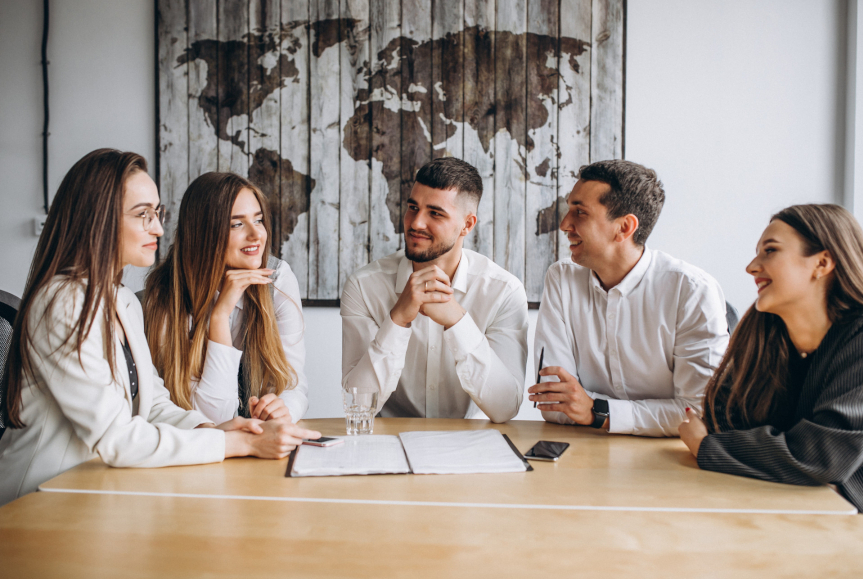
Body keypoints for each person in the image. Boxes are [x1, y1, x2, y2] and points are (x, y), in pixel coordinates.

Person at [0, 149, 319, 506]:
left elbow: (154, 406)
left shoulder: (121, 300)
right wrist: (239, 443)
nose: (158, 228)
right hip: (40, 500)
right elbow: (115, 437)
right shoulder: (63, 302)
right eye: (143, 215)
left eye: (158, 213)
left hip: (96, 491)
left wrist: (213, 429)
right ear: (99, 220)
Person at [680, 204, 863, 534]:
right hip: (785, 516)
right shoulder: (766, 334)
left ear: (822, 263)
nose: (752, 267)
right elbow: (724, 419)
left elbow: (821, 455)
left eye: (770, 251)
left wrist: (708, 449)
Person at [528, 160, 730, 437]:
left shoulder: (691, 290)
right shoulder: (562, 278)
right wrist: (643, 415)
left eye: (580, 212)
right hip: (583, 451)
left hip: (666, 461)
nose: (564, 224)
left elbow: (697, 413)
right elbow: (552, 404)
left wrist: (596, 411)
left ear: (624, 227)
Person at [341, 157, 528, 422]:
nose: (416, 223)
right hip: (390, 445)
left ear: (467, 224)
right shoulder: (364, 286)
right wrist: (397, 320)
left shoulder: (503, 292)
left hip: (470, 448)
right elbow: (358, 406)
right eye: (412, 207)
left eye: (435, 213)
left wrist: (457, 321)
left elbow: (505, 408)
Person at [142, 172, 308, 425]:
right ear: (203, 233)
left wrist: (283, 408)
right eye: (236, 224)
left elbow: (293, 381)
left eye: (259, 220)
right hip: (195, 451)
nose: (256, 235)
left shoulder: (277, 279)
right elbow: (211, 420)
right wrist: (220, 315)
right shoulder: (165, 296)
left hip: (257, 444)